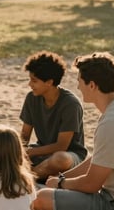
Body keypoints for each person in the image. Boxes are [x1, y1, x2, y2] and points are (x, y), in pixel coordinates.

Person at [34, 52, 114, 210]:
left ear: (92, 85)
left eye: (79, 81)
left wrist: (61, 183)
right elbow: (99, 159)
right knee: (50, 194)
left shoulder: (113, 122)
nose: (78, 87)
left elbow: (92, 184)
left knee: (41, 199)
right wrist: (63, 177)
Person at [19, 51, 87, 181]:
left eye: (34, 81)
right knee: (3, 149)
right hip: (41, 152)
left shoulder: (71, 104)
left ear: (49, 82)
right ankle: (39, 175)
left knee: (59, 159)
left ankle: (25, 178)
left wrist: (29, 152)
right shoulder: (32, 98)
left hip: (69, 156)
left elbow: (61, 146)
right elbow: (24, 137)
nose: (30, 84)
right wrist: (18, 152)